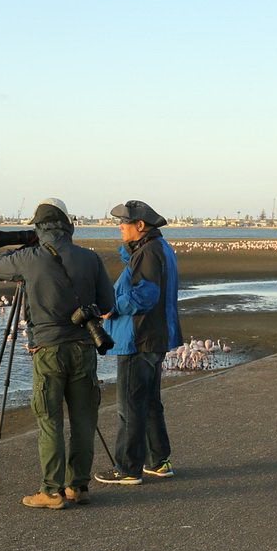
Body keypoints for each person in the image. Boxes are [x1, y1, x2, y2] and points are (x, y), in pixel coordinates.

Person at [0, 198, 114, 510]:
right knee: (84, 418)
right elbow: (107, 304)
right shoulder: (90, 258)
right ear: (68, 225)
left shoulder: (30, 258)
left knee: (50, 419)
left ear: (38, 227)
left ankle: (51, 491)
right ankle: (79, 486)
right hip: (84, 348)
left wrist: (23, 246)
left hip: (47, 349)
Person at [95, 200, 183, 486]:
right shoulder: (159, 248)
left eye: (124, 223)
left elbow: (144, 296)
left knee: (130, 406)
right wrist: (130, 250)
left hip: (139, 338)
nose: (120, 227)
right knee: (150, 402)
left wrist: (111, 306)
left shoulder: (148, 253)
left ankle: (127, 468)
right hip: (155, 336)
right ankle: (158, 461)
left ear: (140, 225)